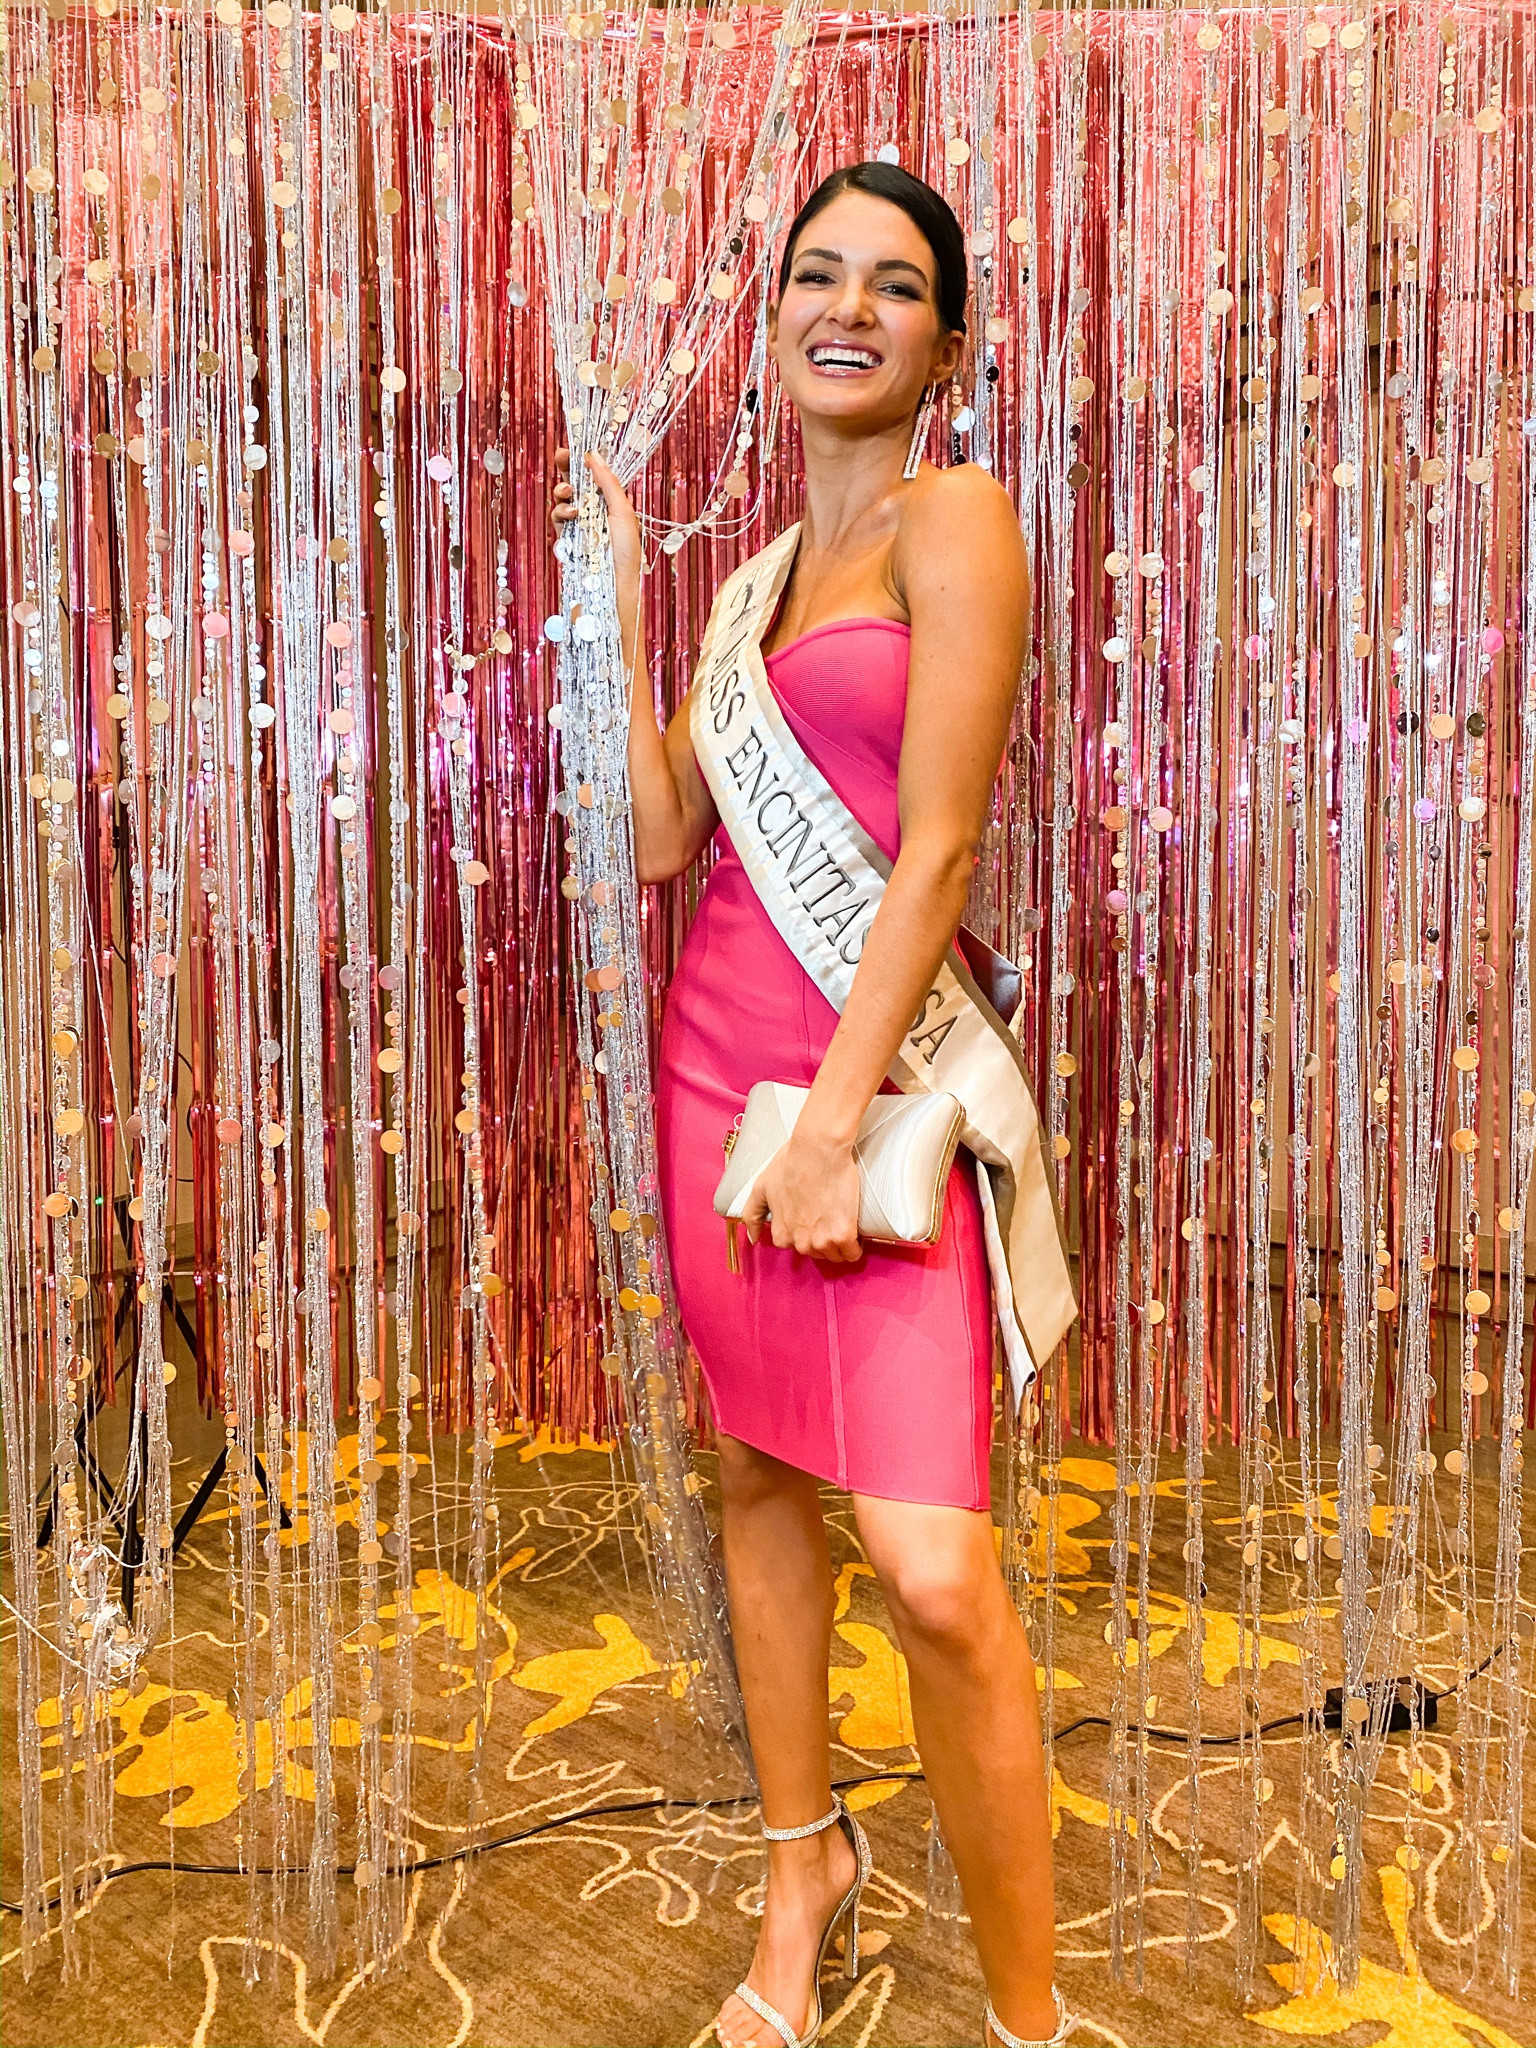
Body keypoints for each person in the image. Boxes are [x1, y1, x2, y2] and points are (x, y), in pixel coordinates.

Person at [552, 161, 1067, 2048]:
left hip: (864, 1093)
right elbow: (672, 835)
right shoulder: (755, 583)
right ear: (776, 314)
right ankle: (803, 1870)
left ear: (948, 339)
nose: (846, 307)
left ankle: (1028, 2016)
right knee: (762, 1483)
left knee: (932, 1571)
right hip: (715, 1084)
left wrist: (843, 1118)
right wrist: (624, 616)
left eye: (896, 284)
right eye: (818, 275)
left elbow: (934, 858)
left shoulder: (959, 520)